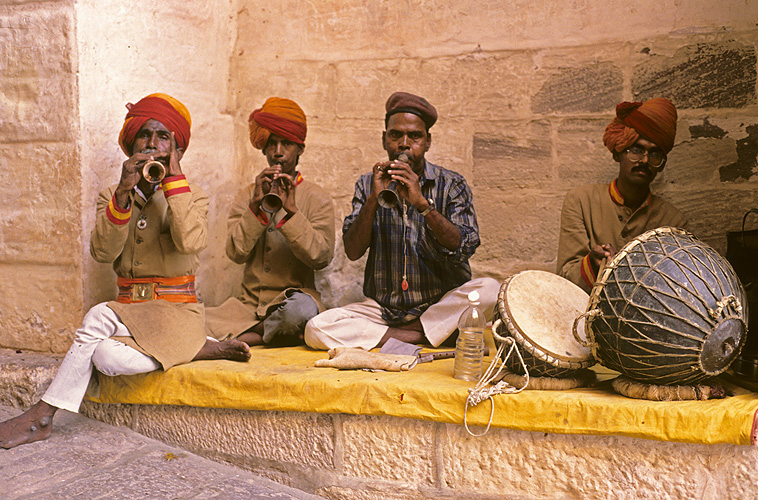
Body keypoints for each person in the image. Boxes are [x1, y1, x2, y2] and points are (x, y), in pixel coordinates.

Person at [0, 93, 249, 449]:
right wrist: (122, 194)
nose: (152, 145)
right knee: (104, 357)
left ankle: (41, 417)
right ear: (130, 144)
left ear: (176, 148)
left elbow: (191, 241)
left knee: (98, 315)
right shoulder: (113, 194)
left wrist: (174, 180)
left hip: (174, 313)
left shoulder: (192, 195)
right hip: (131, 313)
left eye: (163, 137)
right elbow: (103, 252)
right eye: (144, 136)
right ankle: (195, 349)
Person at [304, 92, 499, 350]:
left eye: (415, 136)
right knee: (315, 329)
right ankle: (426, 335)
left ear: (428, 142)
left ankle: (403, 333)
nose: (404, 144)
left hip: (438, 304)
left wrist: (423, 204)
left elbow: (463, 247)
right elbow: (352, 251)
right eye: (395, 135)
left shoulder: (451, 184)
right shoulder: (367, 184)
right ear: (384, 139)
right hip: (384, 310)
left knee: (491, 290)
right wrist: (374, 198)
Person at [205, 97, 335, 347]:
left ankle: (247, 335)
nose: (278, 152)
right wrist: (255, 208)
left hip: (293, 301)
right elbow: (235, 253)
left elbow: (321, 257)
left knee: (298, 314)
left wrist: (292, 213)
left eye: (286, 143)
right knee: (196, 320)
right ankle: (269, 333)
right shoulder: (247, 195)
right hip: (249, 306)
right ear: (263, 149)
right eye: (272, 143)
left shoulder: (318, 198)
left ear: (300, 149)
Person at [557, 97, 689, 293]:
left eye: (654, 154)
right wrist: (593, 264)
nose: (644, 160)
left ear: (661, 164)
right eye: (636, 150)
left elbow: (676, 289)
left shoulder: (674, 222)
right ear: (617, 153)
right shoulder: (581, 201)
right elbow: (564, 279)